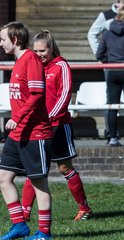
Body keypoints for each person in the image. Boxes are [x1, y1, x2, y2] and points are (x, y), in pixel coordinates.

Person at [21, 30, 93, 223]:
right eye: (35, 50)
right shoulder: (32, 66)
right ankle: (25, 213)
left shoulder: (61, 65)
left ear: (51, 48)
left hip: (58, 125)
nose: (39, 54)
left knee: (64, 167)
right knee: (34, 168)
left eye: (42, 50)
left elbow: (65, 95)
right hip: (38, 127)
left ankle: (84, 208)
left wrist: (50, 116)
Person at [0, 22, 53, 240]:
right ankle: (20, 226)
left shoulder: (31, 59)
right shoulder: (18, 62)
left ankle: (44, 233)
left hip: (35, 133)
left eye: (3, 39)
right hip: (18, 133)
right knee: (3, 178)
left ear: (15, 39)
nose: (0, 43)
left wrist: (17, 117)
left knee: (39, 182)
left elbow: (37, 94)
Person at [96, 8, 124, 147]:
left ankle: (113, 138)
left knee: (112, 105)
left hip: (112, 72)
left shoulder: (107, 34)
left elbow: (99, 55)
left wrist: (108, 62)